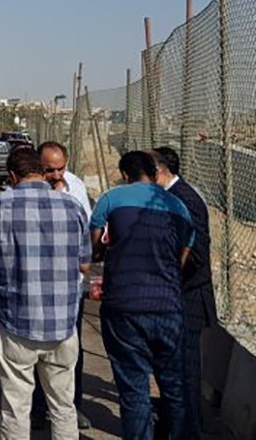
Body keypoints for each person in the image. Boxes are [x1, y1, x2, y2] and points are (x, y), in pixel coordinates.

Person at [0, 147, 90, 440]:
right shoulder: (73, 207)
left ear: (13, 176)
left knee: (16, 406)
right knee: (63, 406)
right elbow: (85, 263)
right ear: (42, 170)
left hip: (16, 320)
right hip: (63, 323)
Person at [90, 151, 194, 440]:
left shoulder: (111, 199)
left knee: (134, 389)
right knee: (175, 388)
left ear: (125, 175)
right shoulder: (178, 207)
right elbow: (182, 257)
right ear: (154, 172)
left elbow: (95, 248)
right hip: (168, 308)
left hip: (123, 306)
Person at [152, 146, 218, 438]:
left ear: (159, 171)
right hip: (177, 297)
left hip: (187, 298)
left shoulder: (186, 200)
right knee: (173, 370)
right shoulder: (172, 197)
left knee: (186, 372)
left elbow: (196, 255)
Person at [33, 141, 92, 431]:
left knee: (71, 352)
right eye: (49, 170)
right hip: (37, 286)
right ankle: (37, 408)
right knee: (33, 351)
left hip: (69, 288)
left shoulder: (76, 187)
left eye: (61, 169)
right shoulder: (28, 193)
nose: (56, 176)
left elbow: (86, 234)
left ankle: (72, 407)